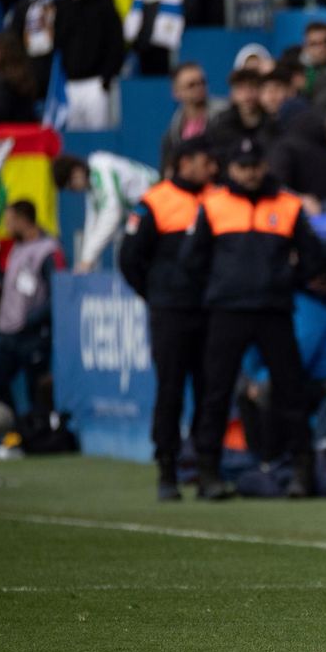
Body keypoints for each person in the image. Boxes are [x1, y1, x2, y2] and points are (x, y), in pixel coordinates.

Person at [182, 138, 326, 500]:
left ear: (264, 166)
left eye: (254, 165)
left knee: (290, 392)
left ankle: (301, 473)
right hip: (227, 311)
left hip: (273, 310)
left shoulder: (288, 205)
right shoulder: (213, 205)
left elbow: (314, 258)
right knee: (216, 393)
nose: (249, 173)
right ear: (231, 168)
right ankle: (208, 474)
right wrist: (217, 290)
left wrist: (284, 281)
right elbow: (192, 260)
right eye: (242, 166)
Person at [117, 138, 217, 500]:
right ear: (184, 163)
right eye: (206, 161)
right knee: (170, 391)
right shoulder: (154, 202)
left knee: (211, 393)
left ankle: (208, 471)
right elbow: (129, 258)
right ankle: (167, 471)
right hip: (171, 311)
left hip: (209, 311)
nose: (212, 168)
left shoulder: (217, 198)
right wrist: (156, 294)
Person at [0, 200, 61, 418]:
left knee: (36, 390)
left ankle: (38, 436)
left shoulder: (48, 250)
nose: (6, 225)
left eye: (9, 220)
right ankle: (14, 428)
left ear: (23, 220)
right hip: (7, 331)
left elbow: (57, 293)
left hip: (33, 334)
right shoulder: (16, 249)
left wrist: (33, 319)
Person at [52, 149, 157, 273]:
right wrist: (84, 261)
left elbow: (111, 215)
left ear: (76, 173)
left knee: (134, 256)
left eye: (71, 186)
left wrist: (87, 261)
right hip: (148, 217)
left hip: (160, 207)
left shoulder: (101, 168)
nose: (74, 191)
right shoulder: (93, 184)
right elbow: (92, 224)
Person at [52, 0, 124, 131]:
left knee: (100, 135)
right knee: (72, 137)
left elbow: (116, 44)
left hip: (97, 84)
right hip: (69, 84)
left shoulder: (105, 5)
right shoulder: (62, 6)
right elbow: (58, 42)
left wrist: (106, 78)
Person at [158, 63, 222, 172]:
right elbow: (166, 173)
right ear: (176, 92)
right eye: (191, 85)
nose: (199, 88)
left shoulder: (225, 117)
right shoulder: (172, 135)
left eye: (202, 82)